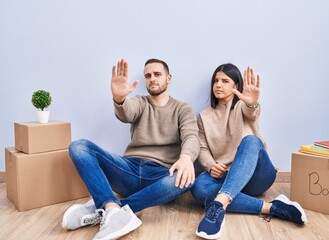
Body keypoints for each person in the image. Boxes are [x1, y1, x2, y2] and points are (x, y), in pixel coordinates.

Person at [62, 58, 200, 240]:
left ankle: (107, 207)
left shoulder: (183, 108)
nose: (152, 79)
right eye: (148, 76)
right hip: (128, 169)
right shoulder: (140, 102)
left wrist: (186, 157)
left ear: (169, 78)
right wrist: (119, 99)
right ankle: (111, 209)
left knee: (187, 180)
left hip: (160, 175)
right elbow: (127, 112)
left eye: (157, 74)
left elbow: (191, 136)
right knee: (78, 147)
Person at [191, 64, 307, 239]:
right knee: (198, 187)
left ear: (236, 86)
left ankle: (218, 205)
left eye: (225, 81)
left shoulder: (242, 106)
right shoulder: (204, 116)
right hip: (226, 177)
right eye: (216, 81)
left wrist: (252, 104)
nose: (218, 85)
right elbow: (202, 147)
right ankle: (272, 207)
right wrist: (210, 165)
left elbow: (252, 113)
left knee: (251, 140)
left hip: (257, 176)